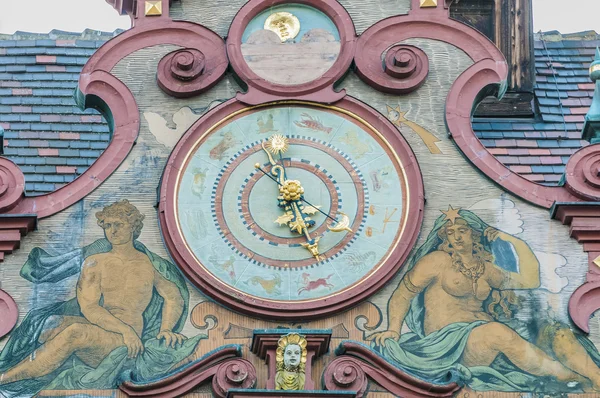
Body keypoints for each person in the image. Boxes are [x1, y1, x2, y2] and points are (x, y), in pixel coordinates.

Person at [368, 207, 600, 392]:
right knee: (497, 333)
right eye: (450, 232)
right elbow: (403, 294)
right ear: (444, 237)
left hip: (489, 339)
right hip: (448, 345)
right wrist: (393, 330)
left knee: (557, 331)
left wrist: (512, 240)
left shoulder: (487, 269)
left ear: (474, 233)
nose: (456, 236)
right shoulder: (437, 261)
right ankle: (576, 380)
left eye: (463, 230)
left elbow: (530, 280)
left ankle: (595, 383)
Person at [0, 200, 203, 397]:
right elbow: (89, 307)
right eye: (107, 225)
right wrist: (126, 330)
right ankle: (32, 373)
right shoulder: (95, 262)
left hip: (124, 344)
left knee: (75, 333)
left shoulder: (148, 264)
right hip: (113, 330)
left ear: (133, 227)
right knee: (50, 323)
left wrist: (165, 329)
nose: (112, 231)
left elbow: (173, 296)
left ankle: (6, 378)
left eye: (118, 224)